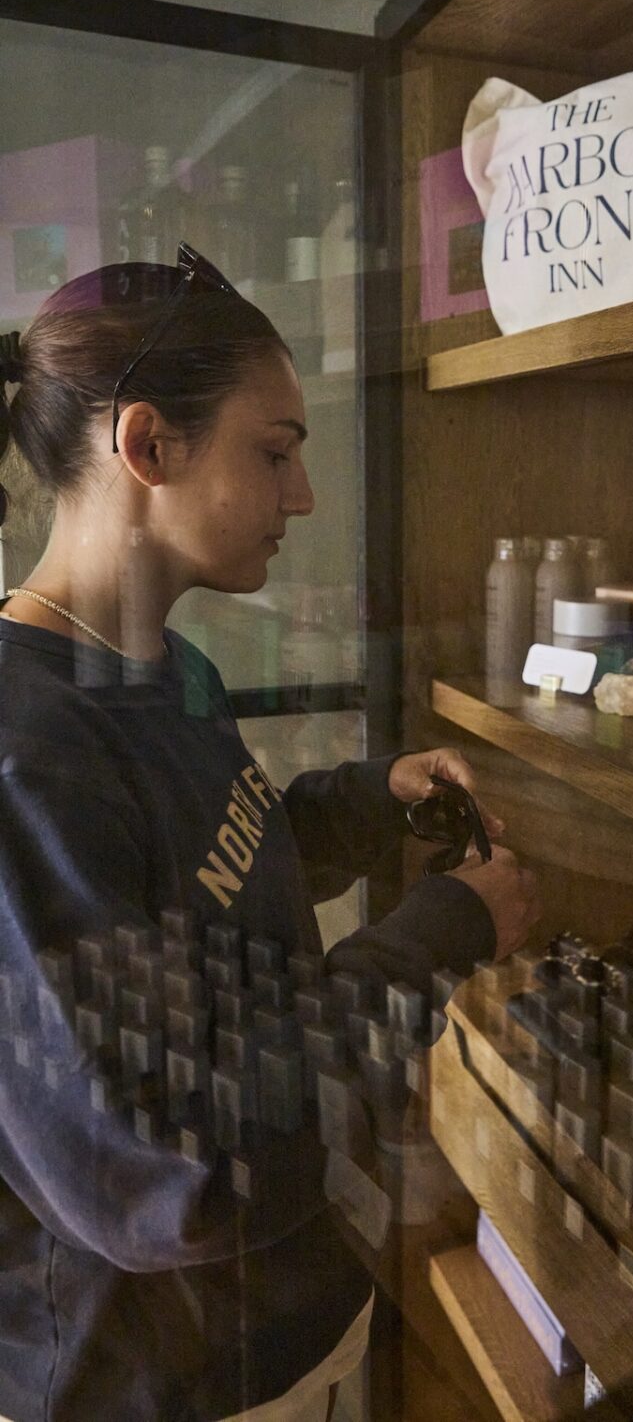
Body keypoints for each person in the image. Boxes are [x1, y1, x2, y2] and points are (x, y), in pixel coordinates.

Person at [0, 247, 541, 1422]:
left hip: (291, 1318)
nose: (301, 498)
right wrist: (439, 933)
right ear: (147, 446)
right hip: (157, 1382)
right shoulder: (25, 751)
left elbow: (203, 876)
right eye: (276, 452)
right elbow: (167, 1167)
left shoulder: (164, 663)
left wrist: (362, 800)